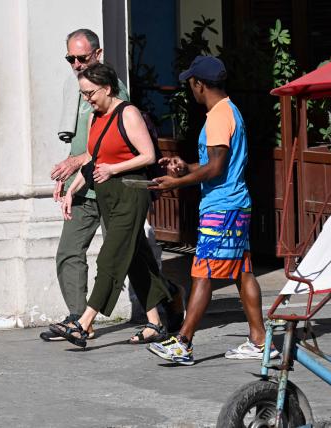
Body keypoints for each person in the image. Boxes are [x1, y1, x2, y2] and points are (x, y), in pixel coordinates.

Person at [40, 29, 181, 344]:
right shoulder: (93, 113)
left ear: (106, 85)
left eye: (90, 93)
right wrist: (71, 186)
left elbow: (144, 155)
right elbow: (91, 156)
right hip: (99, 191)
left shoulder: (124, 108)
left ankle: (85, 321)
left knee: (112, 257)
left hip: (128, 193)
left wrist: (111, 167)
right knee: (125, 256)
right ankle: (157, 318)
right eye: (70, 59)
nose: (86, 99)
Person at [147, 56, 278, 365]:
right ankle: (259, 339)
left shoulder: (219, 116)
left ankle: (184, 342)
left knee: (203, 272)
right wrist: (184, 168)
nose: (190, 89)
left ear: (199, 84)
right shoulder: (229, 111)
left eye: (190, 83)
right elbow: (217, 164)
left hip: (222, 209)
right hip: (235, 205)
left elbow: (217, 167)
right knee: (242, 272)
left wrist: (176, 184)